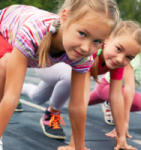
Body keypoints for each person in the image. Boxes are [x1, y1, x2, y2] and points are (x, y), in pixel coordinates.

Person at [0, 1, 119, 150]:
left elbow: (77, 106)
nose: (86, 47)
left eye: (97, 41)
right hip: (3, 27)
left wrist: (79, 147)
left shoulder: (84, 56)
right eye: (82, 34)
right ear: (64, 18)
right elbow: (11, 97)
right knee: (4, 66)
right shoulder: (33, 33)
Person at [21, 21, 141, 150]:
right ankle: (52, 113)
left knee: (37, 97)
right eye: (118, 49)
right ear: (108, 39)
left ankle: (20, 90)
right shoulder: (89, 54)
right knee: (71, 79)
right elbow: (80, 101)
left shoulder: (118, 63)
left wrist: (121, 138)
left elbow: (116, 97)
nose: (120, 59)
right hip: (47, 66)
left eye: (129, 57)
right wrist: (74, 143)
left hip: (62, 75)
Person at [89, 26, 141, 138]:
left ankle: (108, 102)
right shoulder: (133, 54)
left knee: (83, 102)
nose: (122, 58)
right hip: (107, 86)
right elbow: (129, 88)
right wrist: (123, 122)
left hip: (115, 90)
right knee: (138, 101)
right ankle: (109, 103)